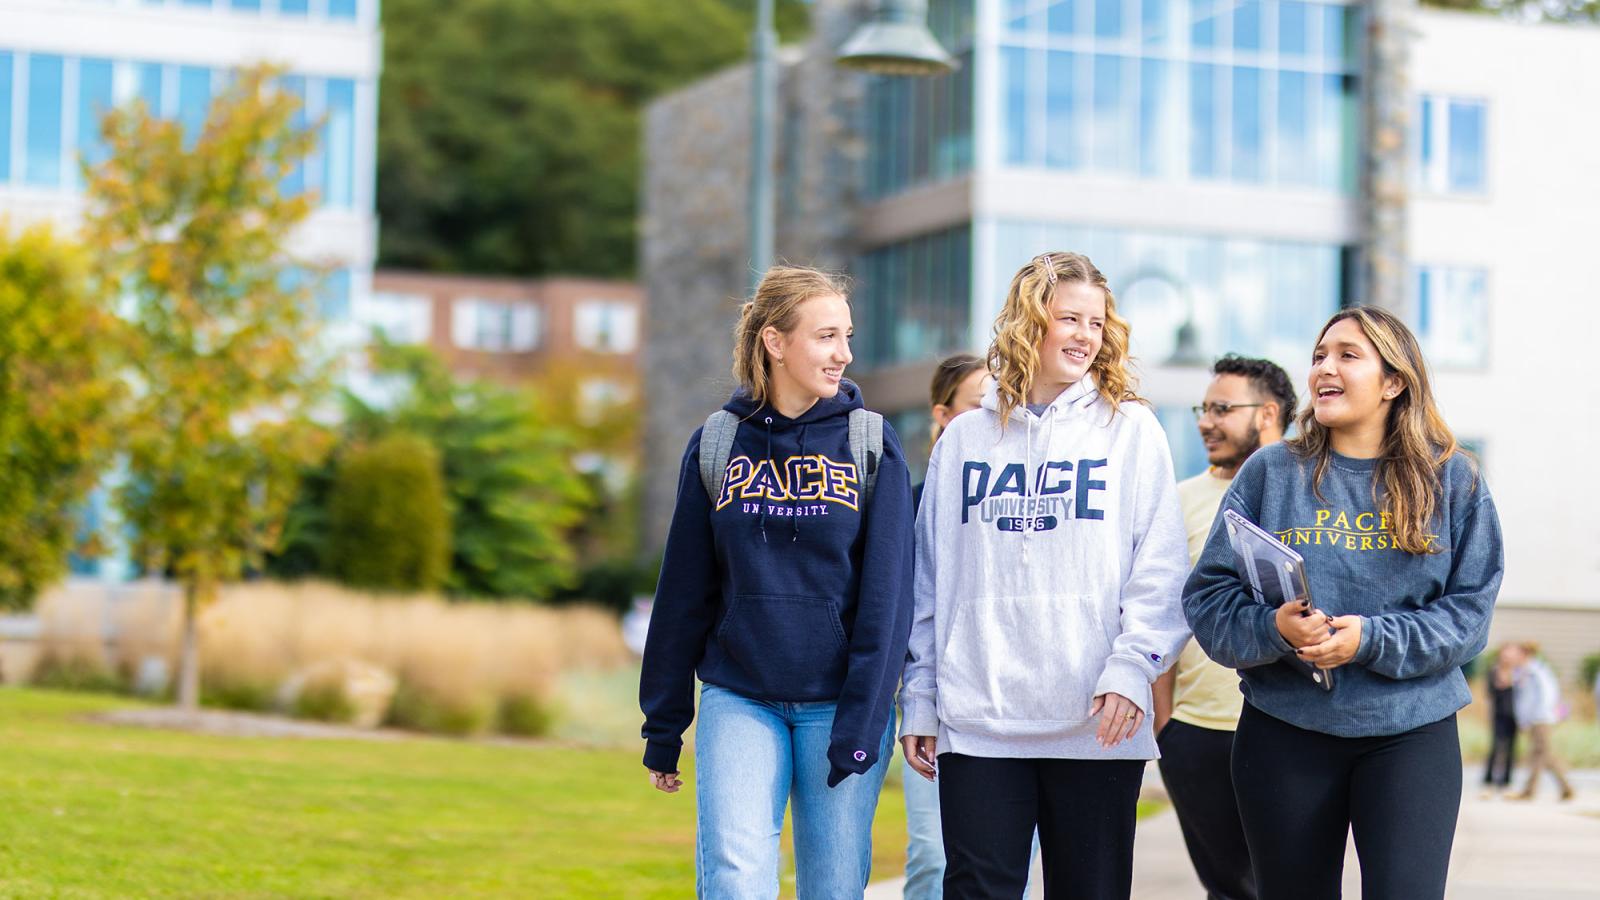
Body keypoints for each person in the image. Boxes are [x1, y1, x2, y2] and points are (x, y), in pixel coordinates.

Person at [1183, 306, 1504, 900]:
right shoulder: (1271, 472)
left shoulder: (1453, 480)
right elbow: (1208, 599)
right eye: (1318, 356)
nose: (1324, 368)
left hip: (1410, 732)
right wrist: (1275, 628)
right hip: (1283, 732)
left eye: (1347, 356)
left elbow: (1470, 616)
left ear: (1394, 382)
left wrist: (1370, 640)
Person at [900, 251, 1191, 899]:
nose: (1085, 335)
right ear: (1029, 323)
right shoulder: (964, 440)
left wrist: (1133, 668)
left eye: (1097, 322)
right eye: (1069, 318)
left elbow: (1161, 569)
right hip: (979, 721)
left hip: (1097, 722)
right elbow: (929, 582)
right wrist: (920, 695)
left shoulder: (1131, 431)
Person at [638, 265, 916, 897]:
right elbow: (683, 592)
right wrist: (664, 723)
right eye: (826, 336)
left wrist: (864, 719)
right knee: (736, 878)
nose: (844, 354)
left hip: (840, 704)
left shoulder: (870, 443)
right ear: (775, 341)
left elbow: (889, 597)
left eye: (847, 337)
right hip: (741, 697)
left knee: (833, 887)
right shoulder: (718, 442)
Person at [1152, 355, 1296, 900]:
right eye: (1203, 408)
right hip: (1197, 734)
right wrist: (1166, 725)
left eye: (1221, 409)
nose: (1205, 422)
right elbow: (1160, 611)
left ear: (1268, 414)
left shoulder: (1309, 491)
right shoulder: (1179, 501)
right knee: (1230, 890)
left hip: (1290, 727)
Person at [903, 353, 989, 900]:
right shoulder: (911, 504)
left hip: (1001, 708)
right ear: (943, 415)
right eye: (979, 404)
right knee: (932, 857)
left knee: (1008, 867)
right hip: (934, 702)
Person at [1506, 641, 1576, 802]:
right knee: (1545, 755)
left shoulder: (1538, 671)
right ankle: (1566, 788)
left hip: (1541, 719)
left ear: (1525, 654)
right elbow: (1522, 699)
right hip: (1532, 719)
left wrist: (1537, 716)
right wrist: (1523, 719)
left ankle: (1529, 790)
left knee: (1538, 754)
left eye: (1516, 653)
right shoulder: (1521, 672)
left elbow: (1547, 695)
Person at [1482, 644, 1518, 796]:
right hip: (1499, 715)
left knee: (1511, 749)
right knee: (1496, 747)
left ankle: (1506, 781)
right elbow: (1489, 692)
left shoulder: (1517, 672)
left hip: (1514, 715)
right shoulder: (1494, 671)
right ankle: (1489, 780)